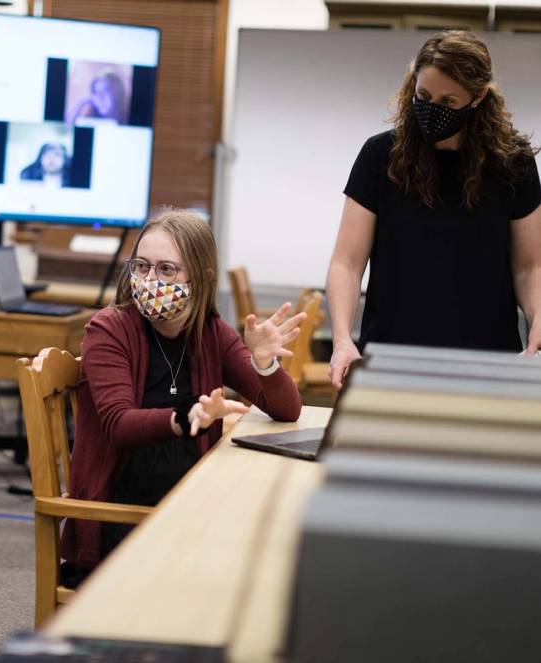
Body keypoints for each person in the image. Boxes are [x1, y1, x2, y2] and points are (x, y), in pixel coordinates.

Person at [60, 209, 304, 585]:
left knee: (275, 551)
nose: (149, 280)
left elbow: (286, 410)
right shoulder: (108, 329)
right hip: (123, 511)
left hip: (191, 501)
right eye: (141, 267)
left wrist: (265, 363)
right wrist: (185, 417)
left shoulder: (211, 333)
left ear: (201, 277)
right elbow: (119, 426)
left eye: (166, 270)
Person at [326, 31, 541, 389]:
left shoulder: (513, 164)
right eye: (423, 96)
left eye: (448, 101)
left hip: (489, 365)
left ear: (478, 98)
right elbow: (346, 263)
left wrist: (537, 318)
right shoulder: (381, 157)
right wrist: (342, 339)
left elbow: (530, 266)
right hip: (390, 360)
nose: (432, 108)